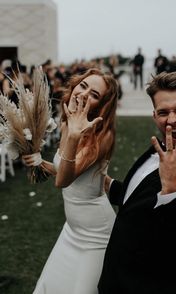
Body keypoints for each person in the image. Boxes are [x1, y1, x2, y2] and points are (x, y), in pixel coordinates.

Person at [98, 71, 176, 294]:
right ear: (155, 116)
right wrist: (104, 182)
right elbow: (137, 199)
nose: (171, 119)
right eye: (164, 112)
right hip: (116, 278)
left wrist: (172, 188)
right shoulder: (161, 145)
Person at [22, 68, 119, 294]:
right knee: (50, 286)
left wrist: (74, 136)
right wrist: (39, 162)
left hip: (96, 234)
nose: (84, 94)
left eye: (94, 94)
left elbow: (64, 180)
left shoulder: (102, 135)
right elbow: (66, 170)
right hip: (72, 229)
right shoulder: (68, 123)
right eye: (83, 86)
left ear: (102, 104)